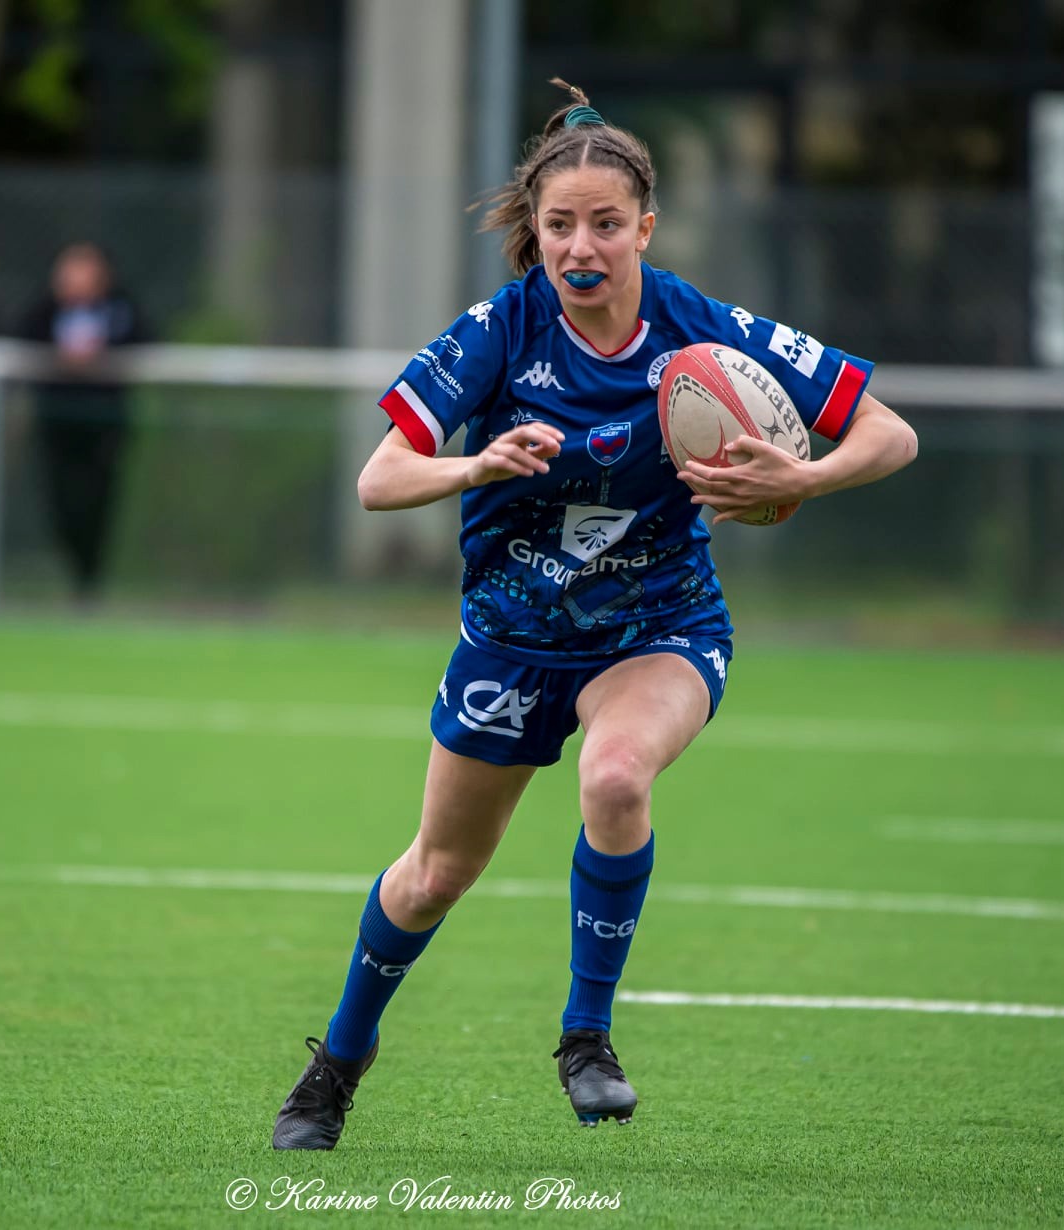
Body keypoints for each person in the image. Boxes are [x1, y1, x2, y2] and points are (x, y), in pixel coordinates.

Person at [272, 81, 918, 1150]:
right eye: (560, 225)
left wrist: (799, 472)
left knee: (615, 777)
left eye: (606, 225)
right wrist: (476, 460)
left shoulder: (700, 329)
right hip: (513, 641)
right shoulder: (499, 330)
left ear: (644, 230)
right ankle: (341, 1058)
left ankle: (586, 1038)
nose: (583, 246)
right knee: (436, 873)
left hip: (657, 628)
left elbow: (889, 434)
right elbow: (379, 481)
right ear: (534, 233)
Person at [18, 243, 143, 604]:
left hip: (103, 429)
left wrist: (101, 352)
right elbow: (23, 334)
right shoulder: (47, 310)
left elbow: (145, 338)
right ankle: (75, 572)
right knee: (61, 505)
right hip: (59, 426)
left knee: (98, 507)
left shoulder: (119, 309)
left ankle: (89, 582)